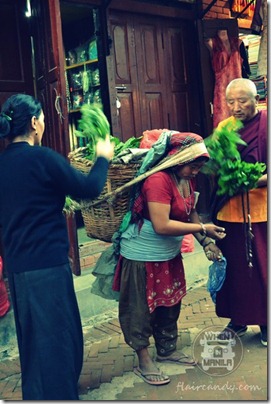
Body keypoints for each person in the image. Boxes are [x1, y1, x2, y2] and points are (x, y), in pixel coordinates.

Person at [0, 93, 114, 400]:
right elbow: (89, 189)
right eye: (44, 118)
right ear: (35, 123)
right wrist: (103, 156)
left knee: (34, 342)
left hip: (18, 268)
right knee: (58, 341)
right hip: (48, 266)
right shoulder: (44, 158)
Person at [112, 131, 227, 386]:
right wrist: (202, 229)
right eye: (192, 166)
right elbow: (162, 225)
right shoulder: (158, 180)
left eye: (199, 167)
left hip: (167, 255)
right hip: (142, 256)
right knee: (139, 308)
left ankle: (166, 349)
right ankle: (144, 360)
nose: (195, 172)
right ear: (176, 158)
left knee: (170, 301)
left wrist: (206, 242)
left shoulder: (186, 180)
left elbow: (191, 211)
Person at [211, 78, 267, 346]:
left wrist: (255, 180)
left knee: (261, 268)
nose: (235, 107)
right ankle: (238, 319)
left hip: (260, 211)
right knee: (234, 269)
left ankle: (266, 322)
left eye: (242, 100)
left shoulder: (267, 126)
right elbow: (217, 166)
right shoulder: (224, 128)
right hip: (230, 210)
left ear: (256, 99)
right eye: (230, 101)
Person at [205, 29, 243, 128]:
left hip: (238, 86)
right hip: (222, 89)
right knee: (223, 120)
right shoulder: (212, 43)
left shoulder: (237, 43)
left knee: (240, 121)